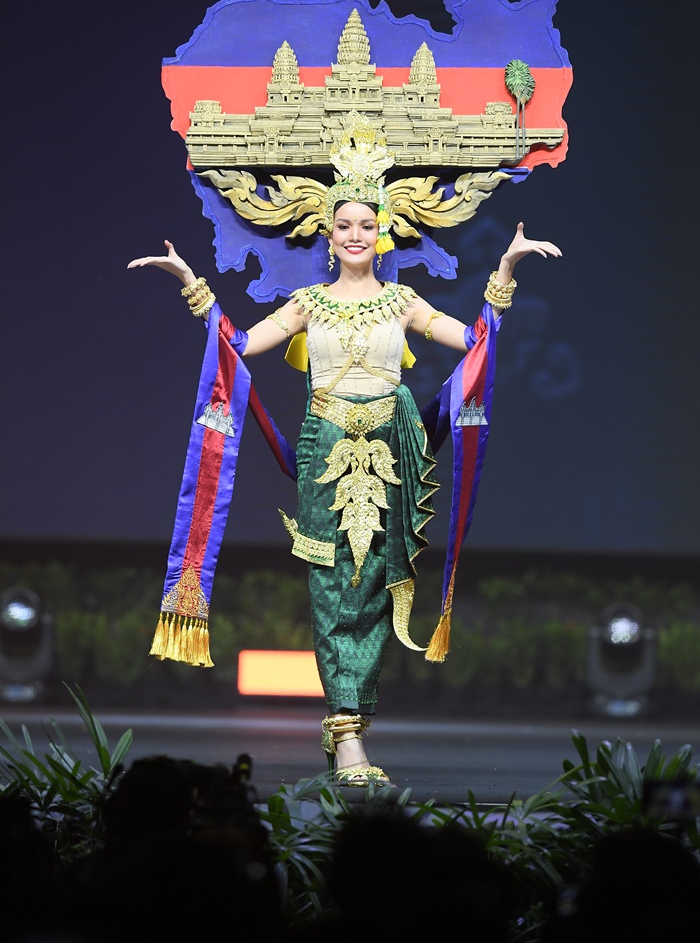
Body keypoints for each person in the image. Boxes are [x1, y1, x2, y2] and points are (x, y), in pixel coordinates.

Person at [129, 192, 560, 787]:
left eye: (366, 224)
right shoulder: (307, 304)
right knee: (334, 586)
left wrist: (505, 269)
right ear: (328, 236)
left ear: (380, 233)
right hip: (325, 452)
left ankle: (352, 725)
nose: (355, 234)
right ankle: (345, 731)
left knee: (377, 586)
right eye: (343, 225)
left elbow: (475, 341)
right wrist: (191, 283)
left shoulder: (402, 301)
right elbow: (239, 345)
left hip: (391, 454)